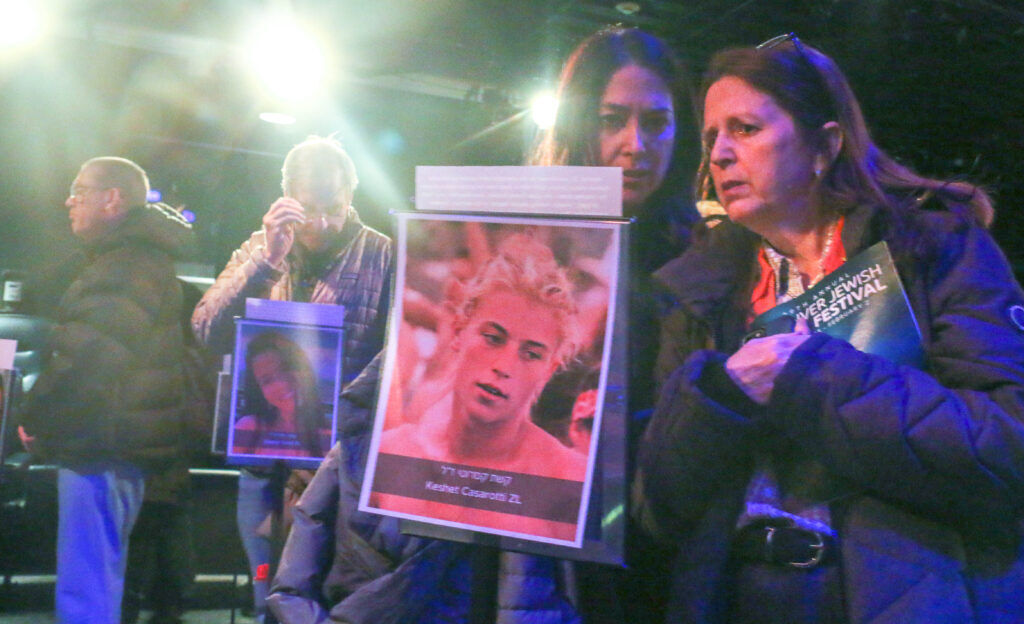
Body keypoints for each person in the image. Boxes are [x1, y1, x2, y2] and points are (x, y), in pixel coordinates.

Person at [635, 34, 1024, 623]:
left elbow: (1008, 449)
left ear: (825, 145)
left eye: (745, 128)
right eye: (712, 135)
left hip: (905, 597)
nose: (717, 154)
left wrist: (813, 376)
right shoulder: (697, 291)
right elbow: (656, 509)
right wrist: (718, 398)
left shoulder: (936, 248)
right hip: (733, 599)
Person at [191, 135, 392, 622]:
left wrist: (334, 436)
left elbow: (396, 361)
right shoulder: (262, 249)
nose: (322, 222)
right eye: (308, 208)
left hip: (334, 467)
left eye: (335, 207)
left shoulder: (384, 255)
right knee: (264, 587)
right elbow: (206, 330)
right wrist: (266, 262)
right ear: (285, 200)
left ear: (352, 197)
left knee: (319, 593)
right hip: (262, 463)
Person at [17, 157, 194, 624]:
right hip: (119, 445)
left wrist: (34, 417)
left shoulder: (125, 265)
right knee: (101, 575)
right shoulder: (142, 259)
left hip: (101, 443)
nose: (68, 200)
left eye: (80, 190)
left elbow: (87, 359)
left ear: (112, 199)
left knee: (87, 584)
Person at [372, 234, 587, 540]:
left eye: (531, 354)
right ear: (459, 332)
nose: (504, 366)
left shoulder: (571, 480)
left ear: (549, 370)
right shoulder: (391, 453)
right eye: (493, 338)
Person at [234, 331, 328, 459]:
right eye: (267, 380)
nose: (281, 384)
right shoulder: (248, 428)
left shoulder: (329, 434)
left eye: (285, 369)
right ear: (259, 391)